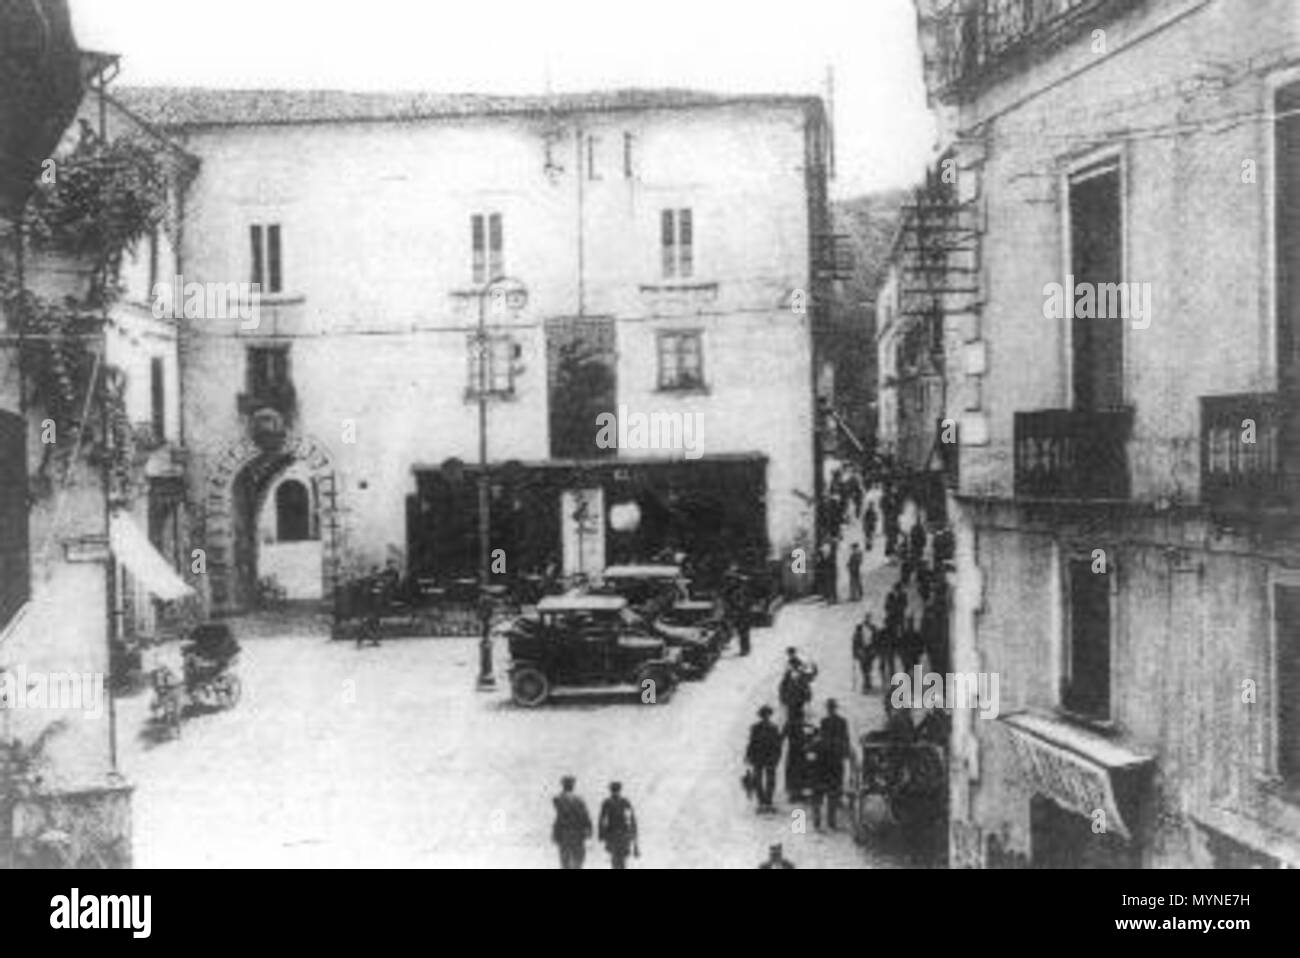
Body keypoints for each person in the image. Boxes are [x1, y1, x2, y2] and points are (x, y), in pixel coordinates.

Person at [813, 699, 851, 830]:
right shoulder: (842, 722)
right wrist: (845, 753)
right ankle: (831, 821)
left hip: (824, 760)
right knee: (833, 791)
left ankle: (819, 821)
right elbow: (846, 738)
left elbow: (821, 738)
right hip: (835, 759)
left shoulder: (824, 722)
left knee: (820, 791)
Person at [745, 705, 783, 813]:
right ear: (761, 716)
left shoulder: (774, 728)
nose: (766, 717)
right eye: (764, 715)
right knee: (758, 780)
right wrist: (748, 755)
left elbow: (777, 744)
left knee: (770, 780)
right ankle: (762, 802)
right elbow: (751, 743)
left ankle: (768, 801)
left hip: (769, 757)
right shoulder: (756, 728)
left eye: (767, 715)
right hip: (758, 757)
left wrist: (777, 757)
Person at [551, 775, 593, 869]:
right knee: (578, 859)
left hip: (565, 833)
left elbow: (559, 818)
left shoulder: (558, 799)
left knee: (566, 860)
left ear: (563, 786)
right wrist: (589, 830)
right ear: (573, 786)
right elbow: (585, 817)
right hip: (577, 833)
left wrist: (555, 834)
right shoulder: (579, 800)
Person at [597, 781, 639, 869]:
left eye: (615, 790)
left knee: (617, 859)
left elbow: (602, 820)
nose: (615, 792)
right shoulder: (623, 802)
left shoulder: (608, 802)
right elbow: (632, 820)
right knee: (619, 859)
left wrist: (602, 835)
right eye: (615, 790)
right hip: (621, 835)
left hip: (615, 835)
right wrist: (633, 835)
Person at [723, 564, 753, 656]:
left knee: (742, 631)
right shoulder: (731, 589)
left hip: (741, 612)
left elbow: (743, 601)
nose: (730, 581)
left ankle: (745, 649)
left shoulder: (740, 589)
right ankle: (728, 643)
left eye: (731, 579)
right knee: (730, 628)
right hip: (735, 611)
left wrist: (738, 608)